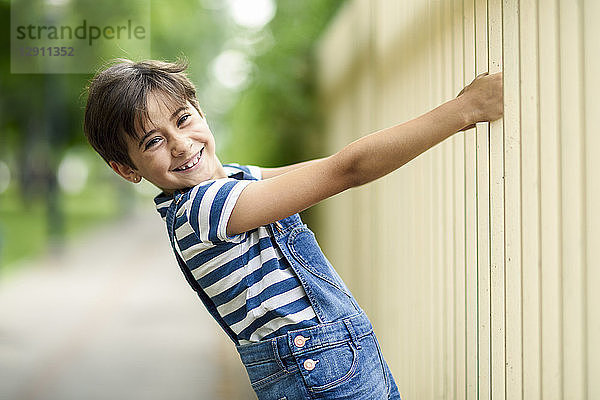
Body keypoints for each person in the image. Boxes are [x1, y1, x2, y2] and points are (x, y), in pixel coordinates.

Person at [83, 58, 503, 400]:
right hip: (319, 376)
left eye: (183, 118)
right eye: (152, 141)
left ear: (201, 113)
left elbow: (320, 170)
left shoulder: (231, 179)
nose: (180, 142)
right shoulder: (202, 208)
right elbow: (346, 170)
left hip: (333, 363)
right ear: (126, 169)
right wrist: (463, 111)